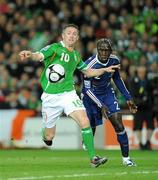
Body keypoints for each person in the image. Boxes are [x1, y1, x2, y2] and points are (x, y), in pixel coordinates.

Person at [19, 24, 120, 168]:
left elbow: (88, 72)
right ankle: (44, 133)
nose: (71, 36)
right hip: (50, 97)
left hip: (68, 94)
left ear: (77, 38)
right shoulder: (54, 48)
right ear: (63, 36)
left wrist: (104, 70)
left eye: (74, 34)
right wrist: (30, 54)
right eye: (69, 33)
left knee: (85, 121)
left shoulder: (76, 55)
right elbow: (39, 55)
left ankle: (93, 158)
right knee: (49, 137)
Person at [81, 38, 137, 166]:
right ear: (97, 50)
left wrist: (128, 97)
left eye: (107, 50)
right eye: (101, 50)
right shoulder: (89, 65)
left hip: (107, 94)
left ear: (111, 51)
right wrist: (101, 105)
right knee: (91, 127)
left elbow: (117, 79)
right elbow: (87, 89)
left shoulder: (114, 60)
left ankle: (126, 159)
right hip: (90, 96)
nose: (104, 53)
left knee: (118, 123)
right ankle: (89, 144)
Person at [130, 66, 154, 150]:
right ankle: (140, 143)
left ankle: (148, 142)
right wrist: (138, 101)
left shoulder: (149, 81)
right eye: (140, 72)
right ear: (138, 72)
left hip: (148, 107)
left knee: (150, 125)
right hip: (138, 107)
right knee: (137, 126)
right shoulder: (133, 81)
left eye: (143, 72)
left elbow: (152, 92)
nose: (142, 74)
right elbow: (132, 93)